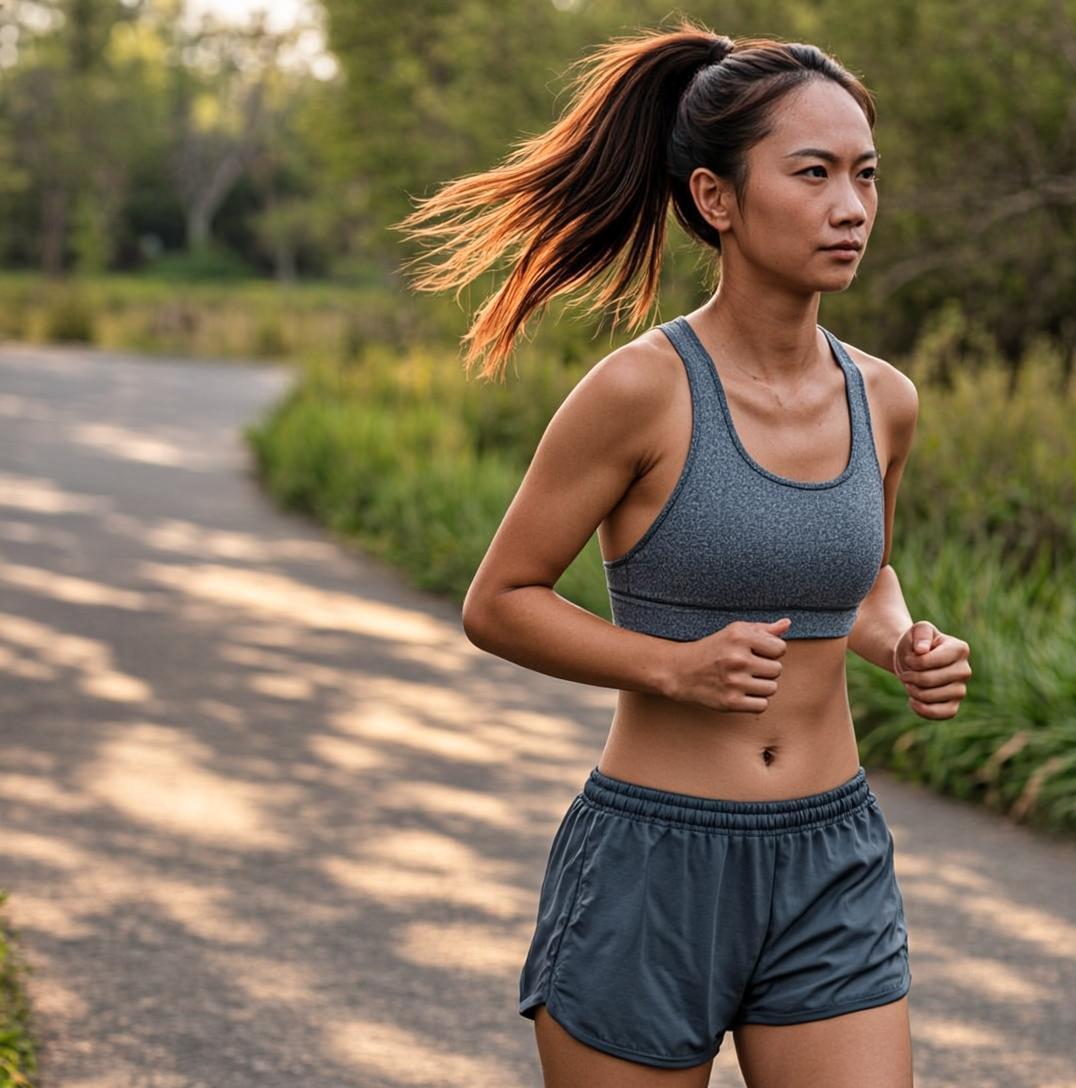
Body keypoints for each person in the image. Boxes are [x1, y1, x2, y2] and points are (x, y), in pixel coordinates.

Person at [395, 19, 970, 1088]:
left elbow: (864, 574)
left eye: (864, 175)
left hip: (829, 854)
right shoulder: (639, 391)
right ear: (716, 199)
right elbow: (499, 598)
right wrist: (669, 663)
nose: (850, 207)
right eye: (812, 173)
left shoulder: (883, 398)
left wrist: (900, 643)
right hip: (652, 863)